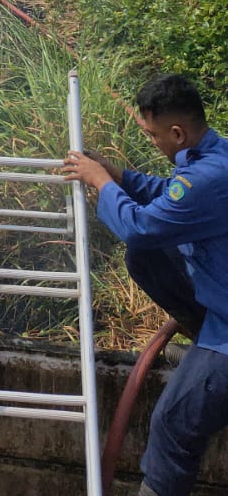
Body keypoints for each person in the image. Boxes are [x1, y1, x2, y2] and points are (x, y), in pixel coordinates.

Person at [62, 73, 228, 496]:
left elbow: (141, 226)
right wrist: (119, 176)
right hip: (219, 302)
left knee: (173, 421)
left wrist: (100, 183)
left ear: (177, 132)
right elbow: (168, 193)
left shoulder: (209, 179)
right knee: (147, 257)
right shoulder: (212, 156)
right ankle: (200, 338)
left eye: (154, 135)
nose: (153, 142)